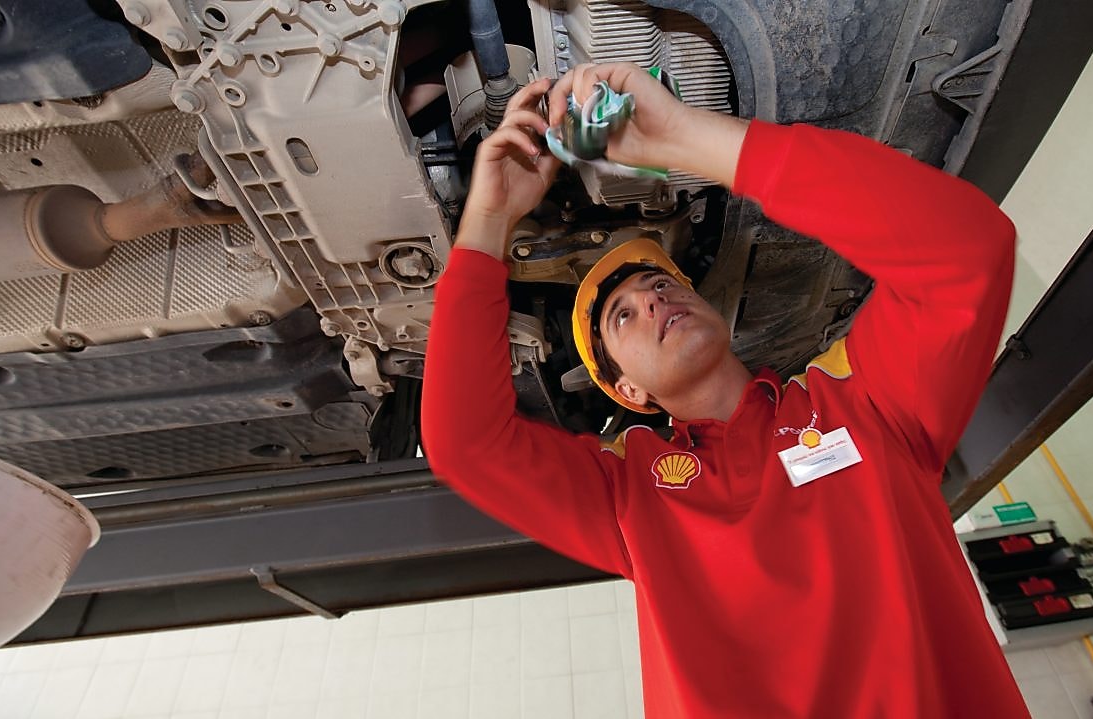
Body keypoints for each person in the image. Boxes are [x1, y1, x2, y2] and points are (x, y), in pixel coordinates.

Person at [421, 63, 1029, 718]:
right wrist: (487, 220)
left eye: (662, 283)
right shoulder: (629, 499)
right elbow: (467, 444)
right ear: (627, 389)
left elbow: (968, 253)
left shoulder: (863, 404)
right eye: (622, 316)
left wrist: (685, 138)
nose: (653, 299)